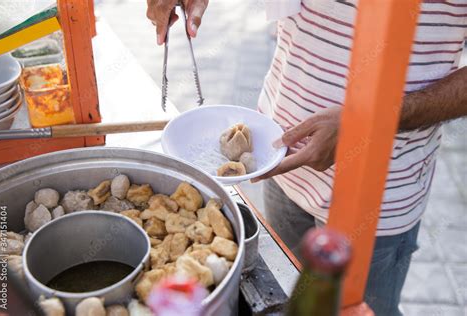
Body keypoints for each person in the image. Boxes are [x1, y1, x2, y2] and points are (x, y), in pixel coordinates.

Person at [146, 0, 467, 314]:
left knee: (355, 307)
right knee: (290, 298)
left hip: (379, 201)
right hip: (282, 164)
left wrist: (369, 120)